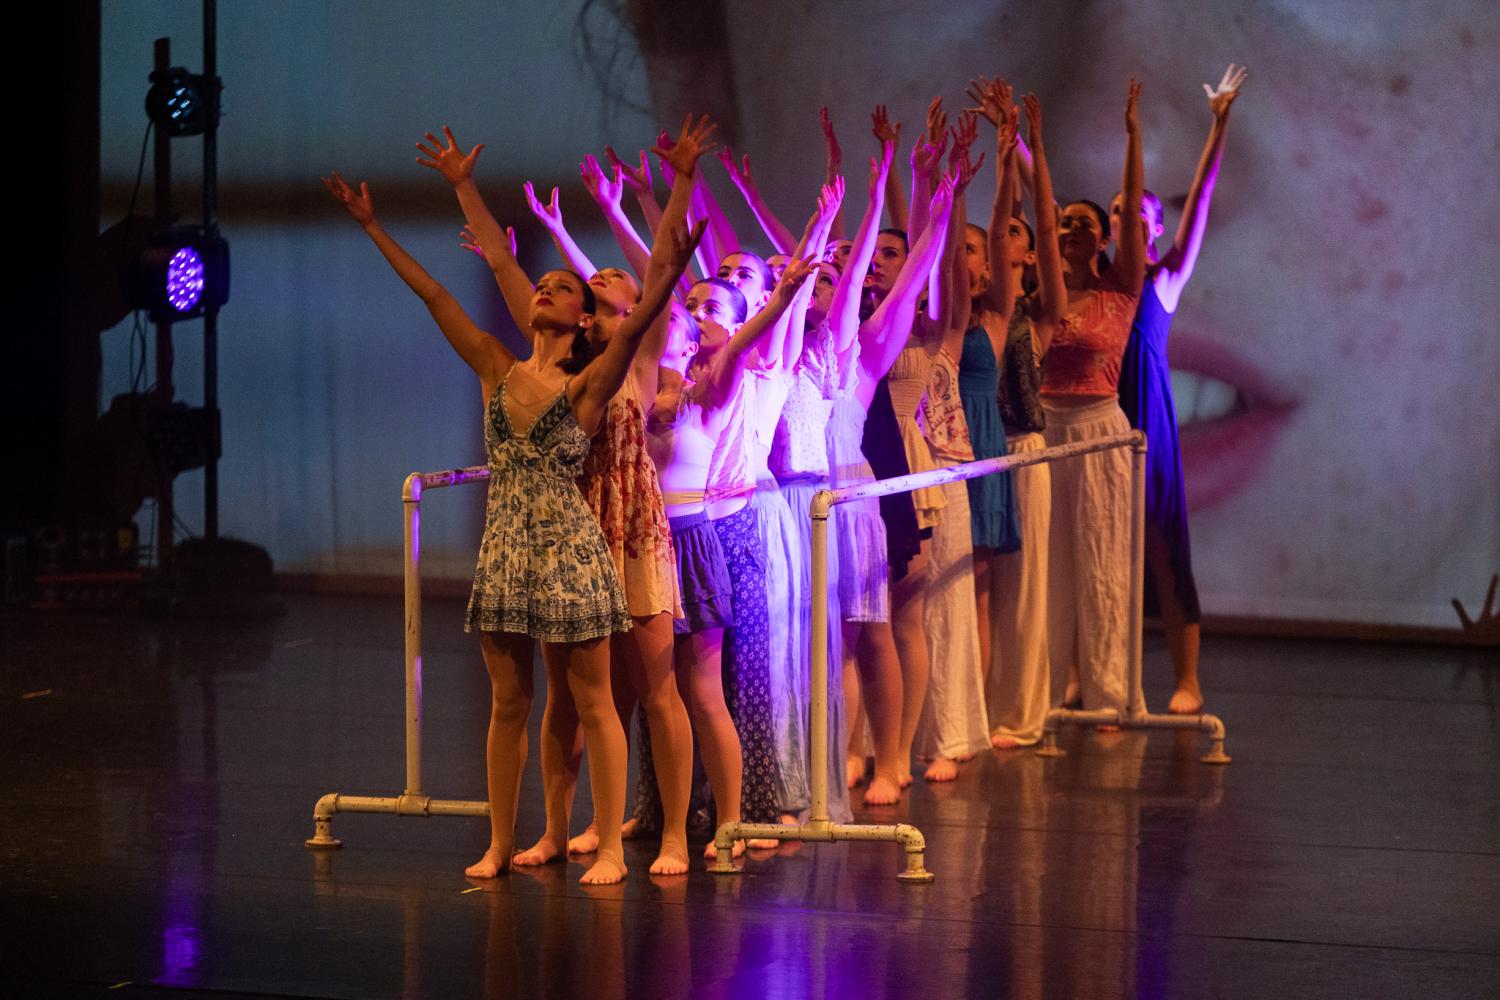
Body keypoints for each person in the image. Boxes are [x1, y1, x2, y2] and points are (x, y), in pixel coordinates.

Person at [321, 135, 702, 885]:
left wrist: (679, 223)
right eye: (546, 283)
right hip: (506, 548)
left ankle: (616, 846)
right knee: (510, 702)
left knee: (597, 701)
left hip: (571, 547)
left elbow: (641, 309)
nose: (545, 289)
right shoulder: (498, 366)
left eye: (562, 287)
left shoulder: (589, 386)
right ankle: (502, 841)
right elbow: (448, 288)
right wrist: (395, 217)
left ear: (583, 316)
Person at [1111, 64, 1247, 715]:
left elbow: (1197, 200)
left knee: (1165, 553)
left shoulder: (1162, 280)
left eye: (1138, 212)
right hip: (1100, 423)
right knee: (1106, 560)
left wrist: (1218, 125)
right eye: (1117, 212)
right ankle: (1107, 682)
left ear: (1155, 228)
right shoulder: (1095, 286)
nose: (1126, 220)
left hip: (1150, 425)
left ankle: (1187, 679)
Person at [1036, 83, 1147, 719]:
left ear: (1103, 238)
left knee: (1104, 567)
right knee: (1049, 570)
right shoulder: (1040, 294)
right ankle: (1047, 693)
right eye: (1067, 221)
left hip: (1100, 429)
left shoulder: (1120, 287)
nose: (1076, 227)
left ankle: (1110, 698)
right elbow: (1037, 215)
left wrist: (1133, 133)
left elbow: (1132, 211)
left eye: (1088, 223)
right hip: (1044, 432)